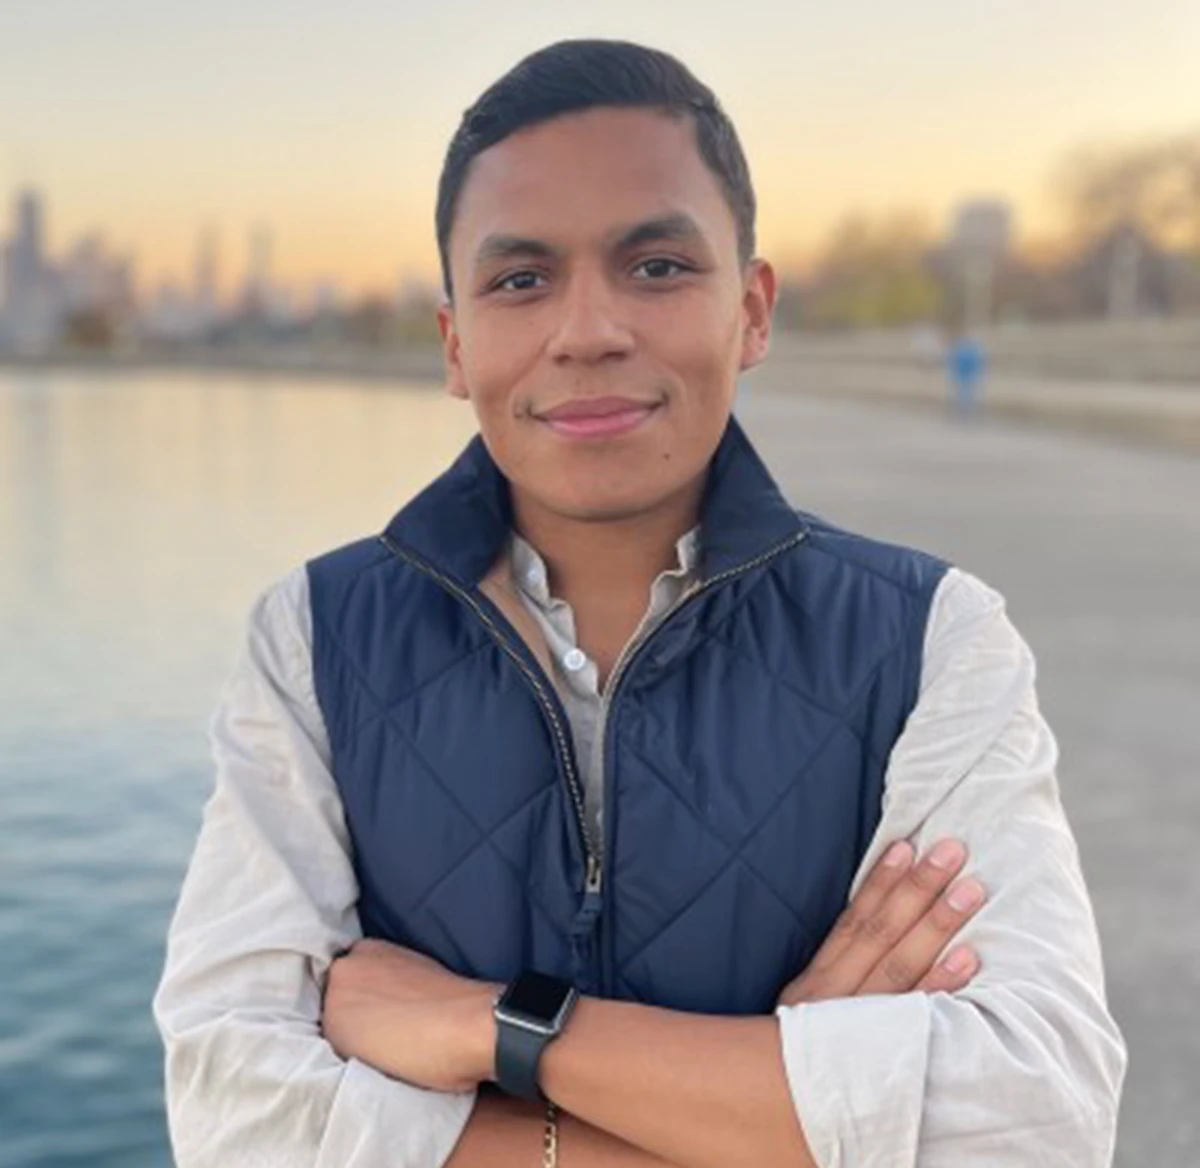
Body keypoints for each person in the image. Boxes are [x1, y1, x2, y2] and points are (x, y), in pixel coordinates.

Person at [154, 39, 1125, 1168]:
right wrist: (780, 1109)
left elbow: (1041, 1117)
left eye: (657, 266)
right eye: (521, 279)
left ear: (752, 311)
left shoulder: (932, 638)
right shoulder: (315, 637)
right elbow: (233, 1117)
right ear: (456, 342)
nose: (587, 330)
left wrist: (497, 1031)